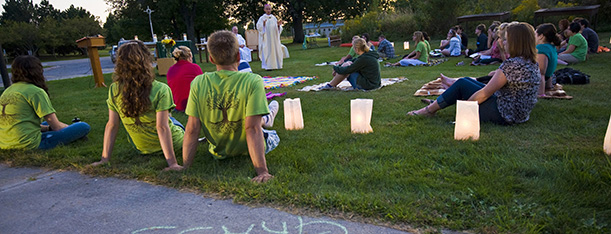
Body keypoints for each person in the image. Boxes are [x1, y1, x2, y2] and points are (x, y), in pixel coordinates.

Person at [182, 30, 280, 183]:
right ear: (238, 57)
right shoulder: (253, 81)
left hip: (218, 152)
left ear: (211, 59)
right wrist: (262, 172)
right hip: (247, 149)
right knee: (269, 132)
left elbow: (192, 128)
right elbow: (252, 129)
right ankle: (270, 114)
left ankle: (268, 115)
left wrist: (185, 166)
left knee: (258, 120)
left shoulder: (198, 83)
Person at [408, 22, 540, 125]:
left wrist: (463, 114)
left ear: (515, 42)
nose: (502, 42)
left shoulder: (513, 65)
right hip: (519, 113)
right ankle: (437, 103)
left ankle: (428, 111)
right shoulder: (530, 62)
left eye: (505, 39)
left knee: (462, 84)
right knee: (467, 81)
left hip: (505, 114)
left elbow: (484, 94)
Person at [91, 41, 184, 171]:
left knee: (167, 119)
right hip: (175, 143)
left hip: (141, 147)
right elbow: (162, 127)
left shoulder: (115, 89)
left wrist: (104, 159)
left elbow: (112, 125)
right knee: (172, 120)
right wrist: (172, 164)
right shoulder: (161, 89)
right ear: (147, 61)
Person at [0, 55, 90, 150]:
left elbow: (21, 122)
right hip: (28, 144)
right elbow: (56, 126)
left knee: (45, 124)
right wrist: (70, 128)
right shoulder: (35, 91)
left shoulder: (8, 91)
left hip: (5, 143)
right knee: (83, 126)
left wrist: (48, 128)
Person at [166, 46, 203, 112]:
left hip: (177, 105)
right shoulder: (195, 68)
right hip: (194, 105)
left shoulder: (171, 70)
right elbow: (203, 85)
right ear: (189, 56)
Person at [535, 23, 561, 96]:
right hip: (548, 77)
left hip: (540, 80)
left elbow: (541, 71)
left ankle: (540, 93)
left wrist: (541, 94)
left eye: (535, 34)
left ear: (541, 36)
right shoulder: (551, 47)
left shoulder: (541, 48)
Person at [256, 4, 284, 70]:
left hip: (274, 39)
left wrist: (278, 26)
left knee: (276, 51)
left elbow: (277, 29)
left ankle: (277, 65)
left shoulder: (273, 18)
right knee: (267, 51)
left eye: (269, 9)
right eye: (267, 9)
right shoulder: (262, 18)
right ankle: (268, 66)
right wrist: (263, 25)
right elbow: (259, 28)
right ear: (264, 10)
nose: (268, 10)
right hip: (267, 39)